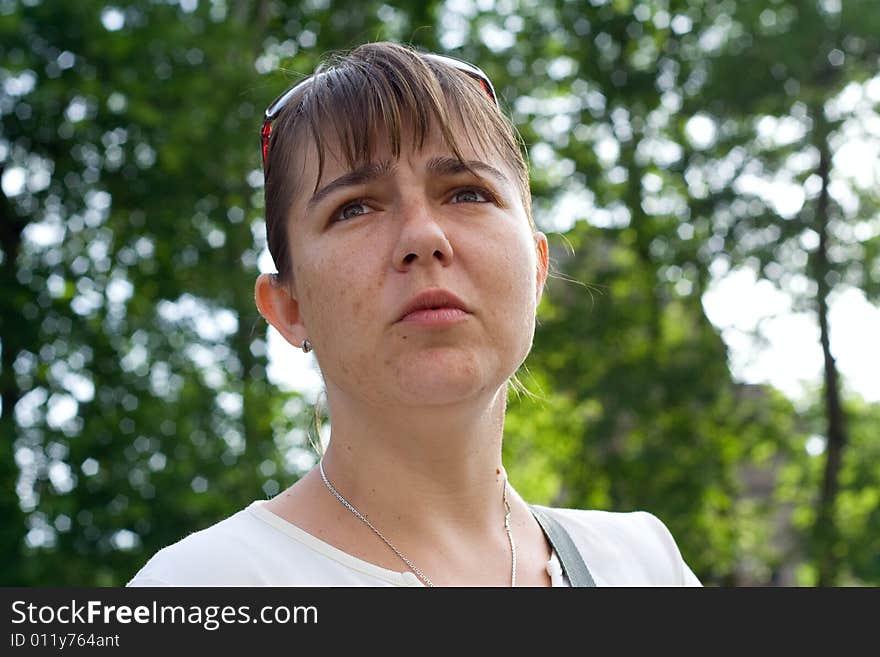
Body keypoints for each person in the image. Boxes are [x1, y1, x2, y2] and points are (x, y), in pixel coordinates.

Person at [128, 41, 700, 587]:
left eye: (467, 193)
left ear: (536, 271)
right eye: (354, 207)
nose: (423, 237)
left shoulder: (645, 565)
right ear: (289, 308)